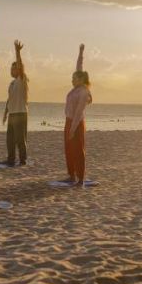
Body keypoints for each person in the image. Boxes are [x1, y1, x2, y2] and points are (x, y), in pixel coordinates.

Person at [63, 43, 92, 187]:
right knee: (68, 149)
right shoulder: (76, 88)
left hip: (77, 123)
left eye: (74, 78)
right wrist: (80, 52)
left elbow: (79, 112)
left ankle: (80, 178)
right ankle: (71, 175)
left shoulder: (83, 92)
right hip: (69, 121)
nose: (72, 80)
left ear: (80, 80)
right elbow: (79, 66)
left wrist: (73, 129)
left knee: (78, 150)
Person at [0, 40, 28, 167]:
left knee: (20, 139)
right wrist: (5, 113)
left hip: (21, 113)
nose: (11, 70)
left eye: (13, 68)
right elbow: (9, 99)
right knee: (9, 139)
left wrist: (17, 52)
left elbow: (21, 66)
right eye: (11, 68)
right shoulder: (12, 83)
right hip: (12, 114)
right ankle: (11, 159)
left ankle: (22, 160)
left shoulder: (21, 80)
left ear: (18, 70)